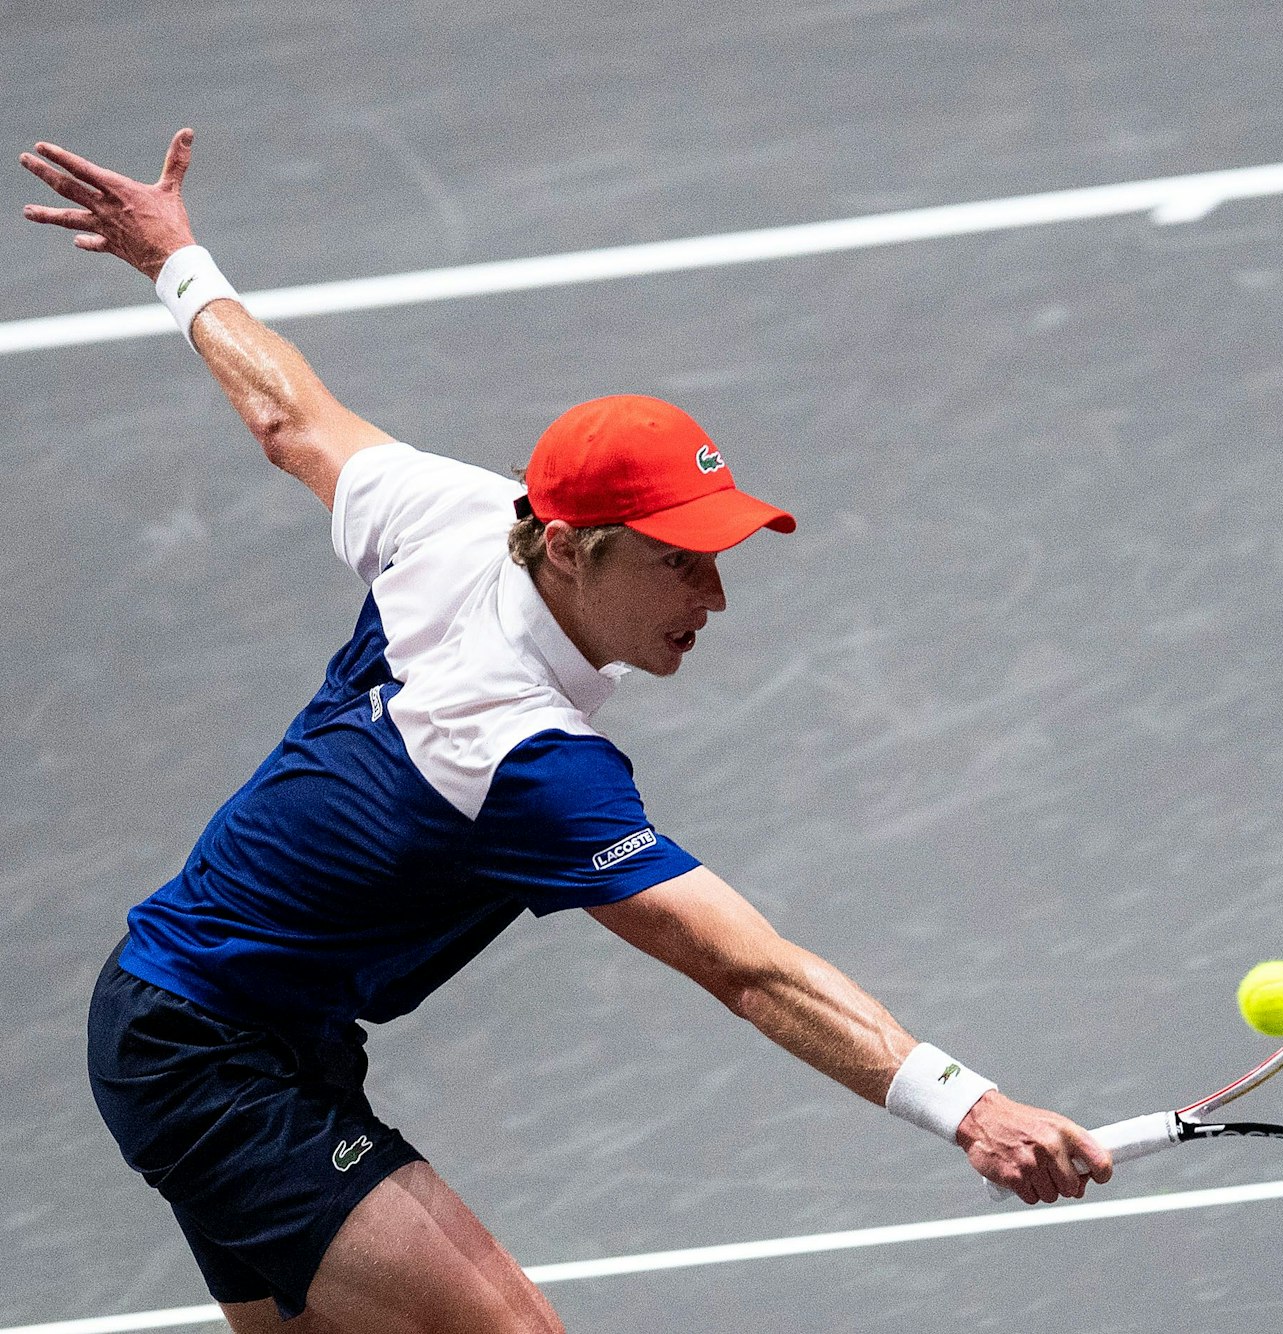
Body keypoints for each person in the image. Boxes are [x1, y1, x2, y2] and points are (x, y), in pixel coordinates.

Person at [20, 129, 1113, 1333]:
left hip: (227, 1019)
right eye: (681, 564)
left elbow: (288, 419)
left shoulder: (457, 514)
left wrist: (177, 259)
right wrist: (966, 1105)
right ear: (572, 549)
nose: (715, 598)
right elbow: (742, 963)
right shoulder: (525, 760)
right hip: (208, 1056)